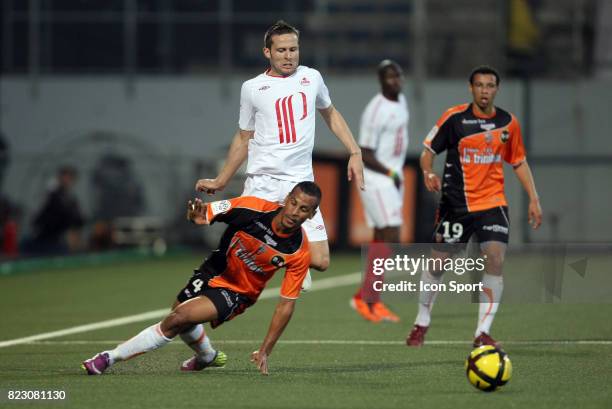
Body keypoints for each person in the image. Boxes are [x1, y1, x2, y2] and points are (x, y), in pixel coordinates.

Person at [82, 181, 321, 376]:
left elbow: (285, 306)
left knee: (179, 318)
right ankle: (207, 356)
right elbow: (206, 213)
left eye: (303, 209)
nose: (294, 212)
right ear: (287, 198)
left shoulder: (298, 251)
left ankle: (109, 358)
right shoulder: (252, 208)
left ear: (312, 215)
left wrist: (265, 350)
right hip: (212, 270)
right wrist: (197, 216)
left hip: (238, 293)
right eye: (293, 203)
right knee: (181, 315)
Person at [195, 20, 365, 290]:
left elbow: (330, 114)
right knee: (242, 258)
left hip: (299, 184)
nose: (289, 56)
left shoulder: (312, 78)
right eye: (282, 50)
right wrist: (221, 180)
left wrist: (354, 151)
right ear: (267, 53)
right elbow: (243, 137)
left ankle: (291, 255)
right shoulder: (252, 88)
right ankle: (205, 287)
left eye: (293, 50)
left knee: (321, 260)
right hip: (262, 183)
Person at [406, 65, 542, 347]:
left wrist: (534, 198)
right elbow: (427, 153)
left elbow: (518, 161)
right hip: (455, 206)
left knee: (495, 258)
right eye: (479, 85)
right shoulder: (454, 118)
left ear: (497, 89)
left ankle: (482, 332)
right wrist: (428, 172)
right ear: (471, 88)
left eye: (490, 86)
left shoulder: (508, 123)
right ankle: (421, 321)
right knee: (437, 263)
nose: (484, 91)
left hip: (492, 203)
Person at [350, 60, 409, 323]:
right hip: (377, 179)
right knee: (392, 237)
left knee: (381, 237)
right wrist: (391, 173)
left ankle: (368, 298)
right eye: (389, 77)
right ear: (381, 80)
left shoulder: (402, 101)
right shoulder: (375, 110)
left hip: (392, 178)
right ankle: (367, 297)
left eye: (397, 76)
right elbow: (366, 152)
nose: (395, 80)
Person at [21, 166, 85, 255]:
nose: (67, 180)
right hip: (42, 238)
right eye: (65, 176)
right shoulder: (53, 195)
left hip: (57, 239)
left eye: (70, 177)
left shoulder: (70, 199)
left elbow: (78, 219)